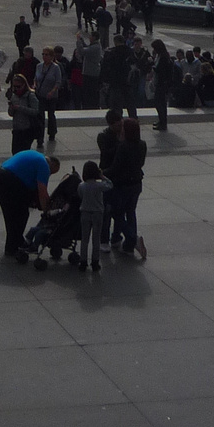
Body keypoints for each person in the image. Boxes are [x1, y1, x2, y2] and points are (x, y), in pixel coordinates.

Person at [0, 148, 58, 262]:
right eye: (52, 172)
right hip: (8, 180)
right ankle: (14, 244)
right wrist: (46, 211)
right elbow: (42, 192)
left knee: (11, 213)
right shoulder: (44, 165)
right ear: (52, 164)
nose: (49, 175)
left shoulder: (35, 155)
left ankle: (13, 243)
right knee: (20, 213)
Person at [107, 118, 147, 257]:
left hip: (123, 184)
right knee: (131, 212)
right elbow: (141, 163)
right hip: (136, 183)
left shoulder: (123, 146)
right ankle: (129, 245)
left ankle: (132, 238)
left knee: (117, 213)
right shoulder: (142, 144)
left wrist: (101, 173)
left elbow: (115, 168)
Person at [77, 160, 110, 272]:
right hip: (97, 213)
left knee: (84, 239)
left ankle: (83, 261)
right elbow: (110, 185)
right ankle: (95, 262)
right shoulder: (99, 185)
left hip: (85, 212)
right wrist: (102, 176)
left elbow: (80, 196)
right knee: (96, 239)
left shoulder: (81, 186)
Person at [34, 46, 63, 147]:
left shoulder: (56, 67)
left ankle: (52, 133)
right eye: (43, 54)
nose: (44, 56)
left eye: (46, 55)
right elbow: (36, 78)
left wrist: (52, 91)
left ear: (51, 56)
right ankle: (40, 138)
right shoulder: (39, 66)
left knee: (51, 115)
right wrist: (35, 85)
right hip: (40, 94)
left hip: (51, 96)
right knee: (40, 116)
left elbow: (58, 82)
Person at [7, 73, 39, 153]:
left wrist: (20, 108)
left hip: (27, 129)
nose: (16, 89)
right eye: (14, 86)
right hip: (17, 128)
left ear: (24, 85)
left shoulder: (30, 96)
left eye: (18, 86)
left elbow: (35, 111)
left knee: (24, 152)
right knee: (15, 152)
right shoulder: (14, 96)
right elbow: (10, 113)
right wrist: (12, 108)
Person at [151, 38, 175, 132]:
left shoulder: (163, 57)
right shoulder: (162, 55)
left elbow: (161, 70)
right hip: (161, 83)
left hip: (162, 83)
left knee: (159, 103)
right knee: (160, 103)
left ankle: (163, 123)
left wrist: (152, 65)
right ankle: (161, 121)